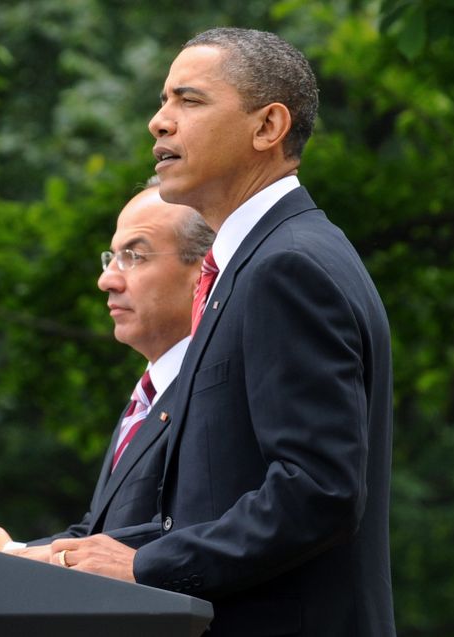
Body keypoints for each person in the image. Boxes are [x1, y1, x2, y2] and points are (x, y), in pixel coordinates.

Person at [49, 28, 396, 636]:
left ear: (268, 127)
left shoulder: (287, 266)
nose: (159, 122)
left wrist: (149, 566)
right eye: (162, 102)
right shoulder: (254, 264)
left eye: (189, 101)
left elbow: (318, 491)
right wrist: (32, 556)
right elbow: (204, 504)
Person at [0, 183, 214, 559]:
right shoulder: (147, 398)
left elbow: (183, 534)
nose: (107, 280)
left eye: (134, 256)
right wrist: (4, 551)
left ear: (203, 272)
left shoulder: (213, 389)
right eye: (111, 258)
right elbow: (99, 533)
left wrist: (11, 555)